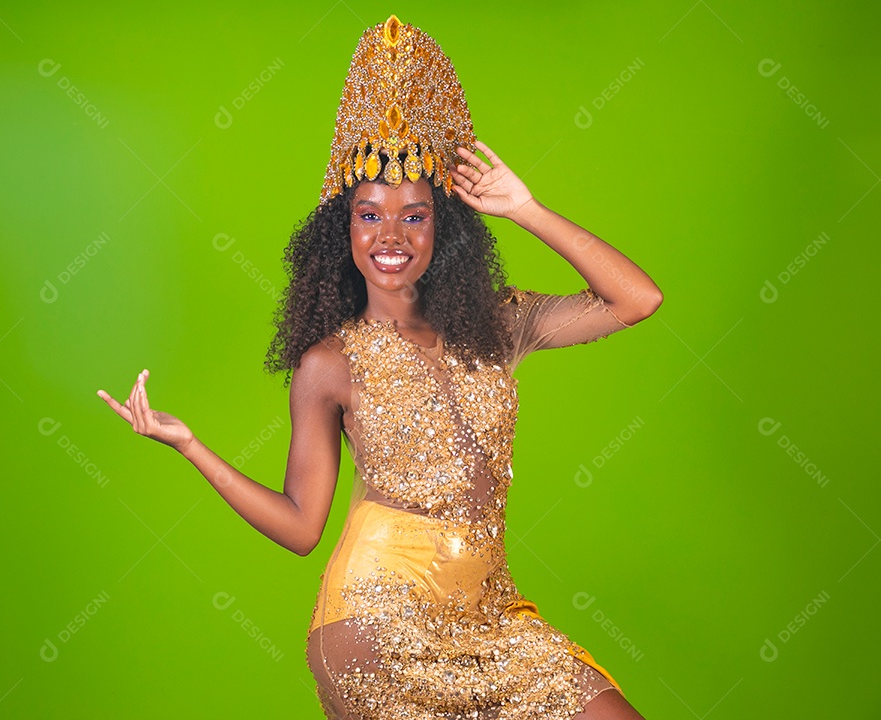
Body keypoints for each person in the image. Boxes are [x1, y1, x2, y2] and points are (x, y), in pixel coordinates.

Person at [97, 14, 661, 719]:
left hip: (491, 613)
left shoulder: (498, 322)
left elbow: (637, 299)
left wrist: (528, 209)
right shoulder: (328, 364)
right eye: (369, 215)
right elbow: (303, 527)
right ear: (344, 230)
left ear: (444, 227)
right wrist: (191, 447)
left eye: (414, 217)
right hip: (374, 624)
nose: (389, 237)